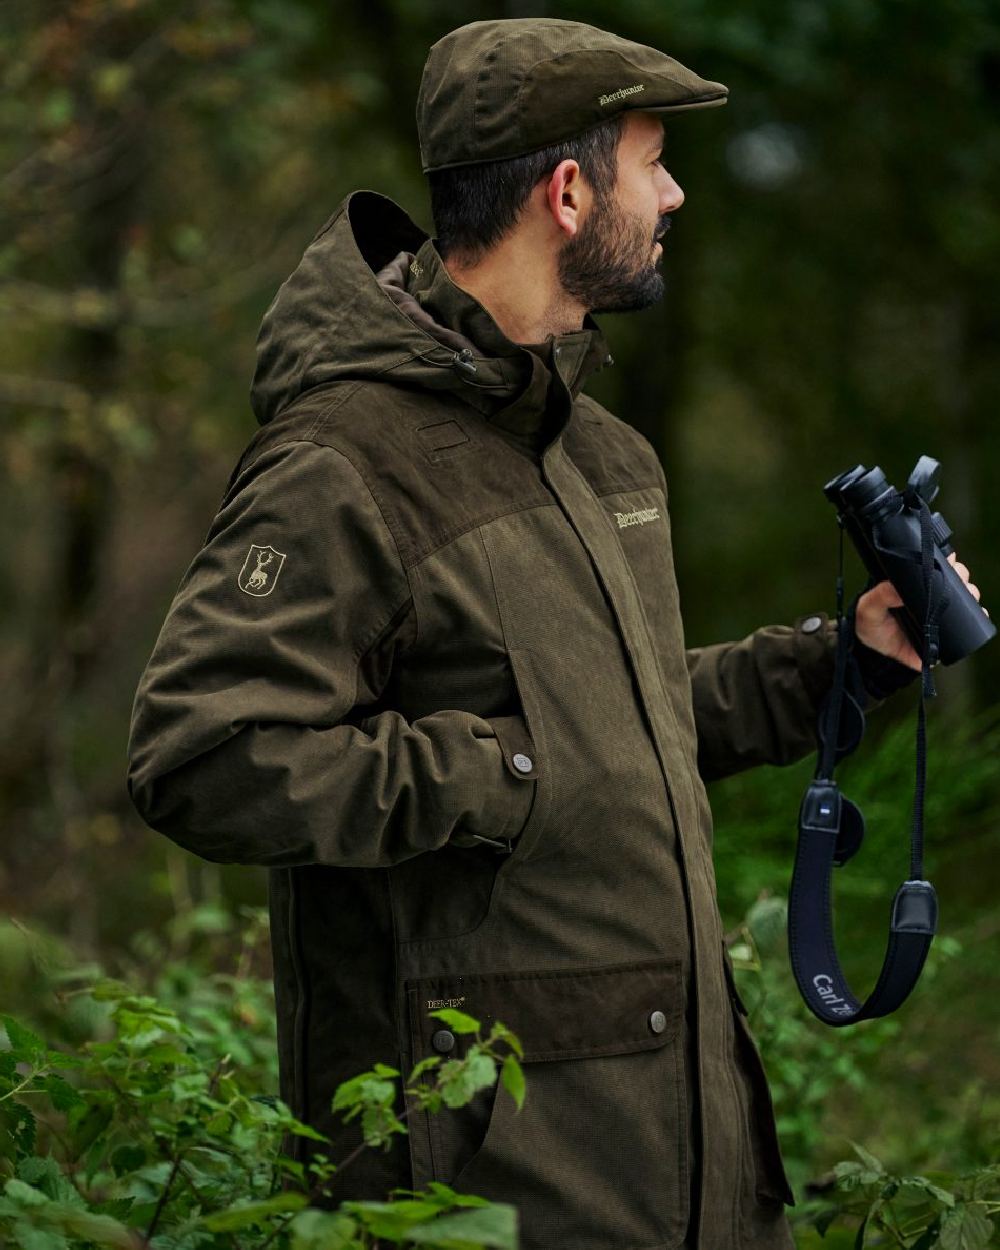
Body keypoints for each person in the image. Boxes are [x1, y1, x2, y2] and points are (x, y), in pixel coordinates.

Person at [125, 17, 983, 1250]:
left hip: (683, 1174)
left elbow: (618, 715)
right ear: (569, 192)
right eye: (652, 161)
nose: (676, 191)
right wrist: (506, 776)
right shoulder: (341, 462)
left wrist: (832, 665)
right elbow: (201, 754)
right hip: (495, 1196)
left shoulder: (598, 448)